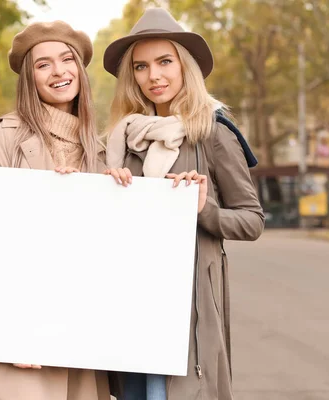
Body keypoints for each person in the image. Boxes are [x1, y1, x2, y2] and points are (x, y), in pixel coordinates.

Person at [102, 8, 265, 400]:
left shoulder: (214, 131)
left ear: (183, 66)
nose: (153, 76)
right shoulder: (123, 138)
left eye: (164, 62)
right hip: (131, 292)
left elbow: (252, 220)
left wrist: (203, 209)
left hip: (186, 299)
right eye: (141, 66)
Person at [0, 21, 110, 400]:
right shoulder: (6, 135)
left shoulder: (101, 150)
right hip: (12, 338)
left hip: (74, 336)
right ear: (30, 79)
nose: (58, 72)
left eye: (66, 59)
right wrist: (13, 330)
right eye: (43, 65)